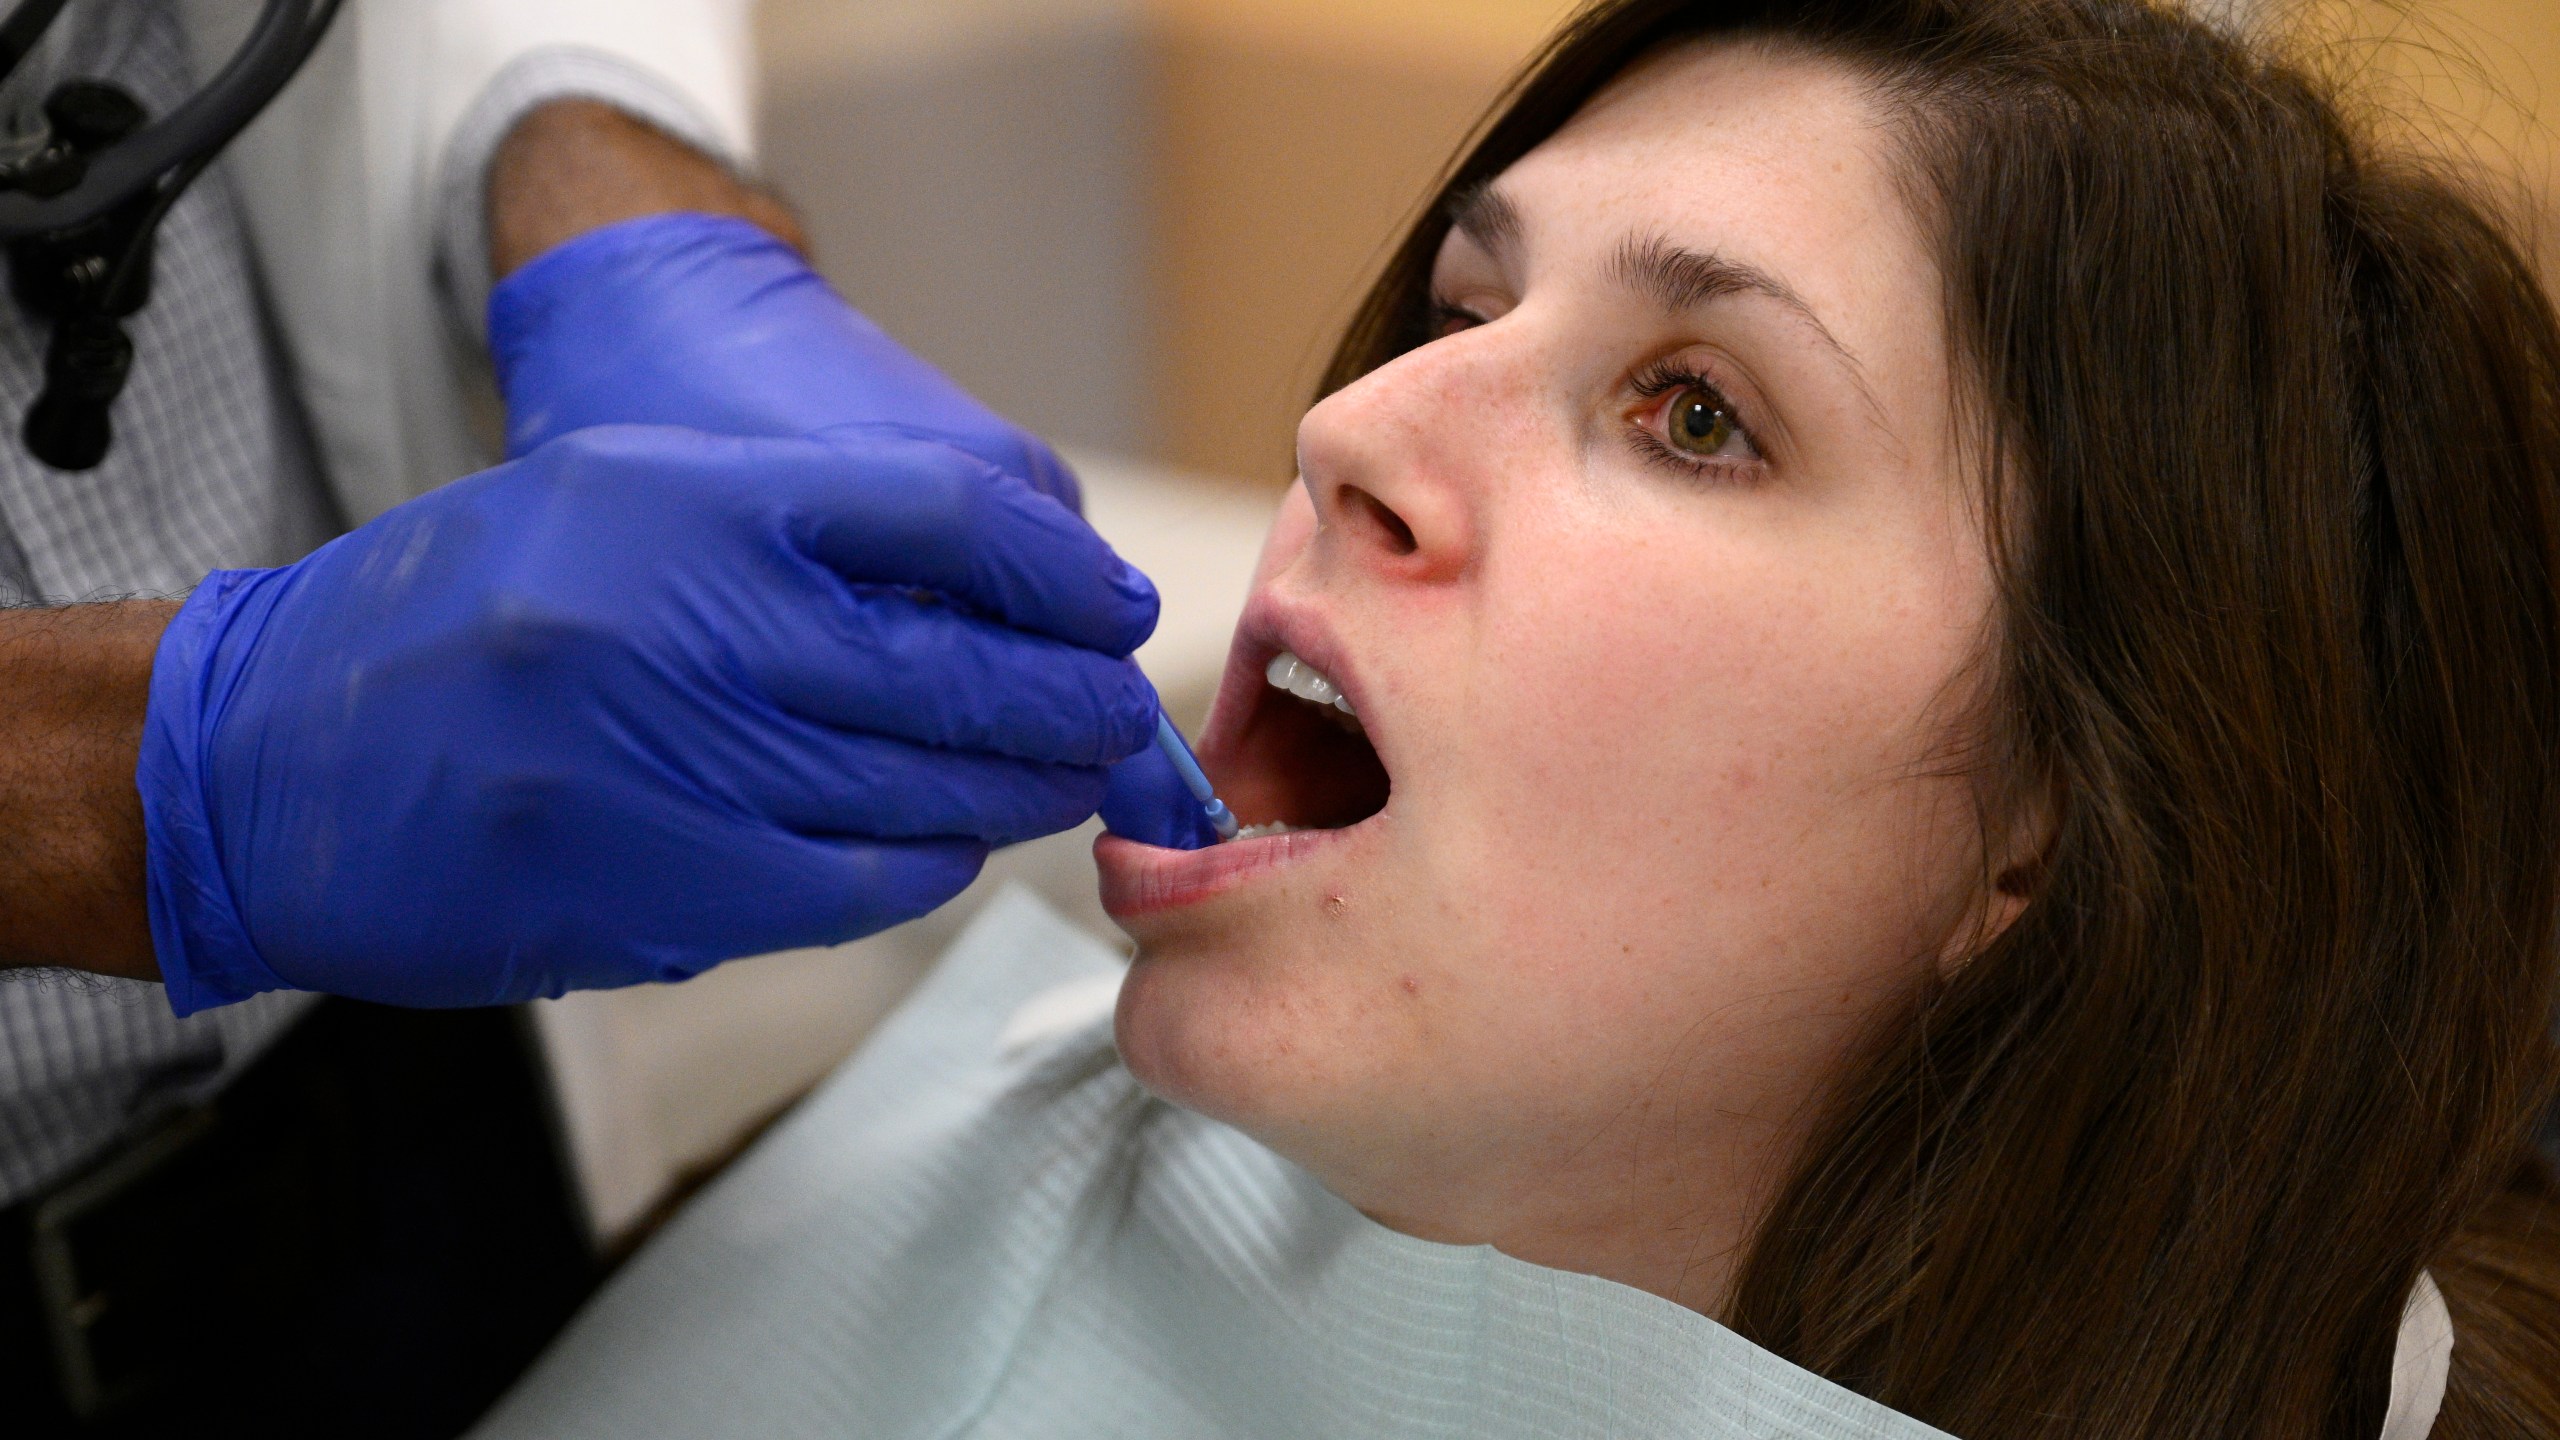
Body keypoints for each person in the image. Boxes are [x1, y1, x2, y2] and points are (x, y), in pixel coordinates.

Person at [468, 0, 2560, 1436]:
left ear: (2047, 829)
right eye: (1463, 311)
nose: (1351, 418)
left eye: (1691, 415)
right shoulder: (938, 1094)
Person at [0, 2, 1193, 1434]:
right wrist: (110, 772)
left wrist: (609, 193)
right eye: (1454, 306)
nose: (1342, 434)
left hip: (412, 1129)